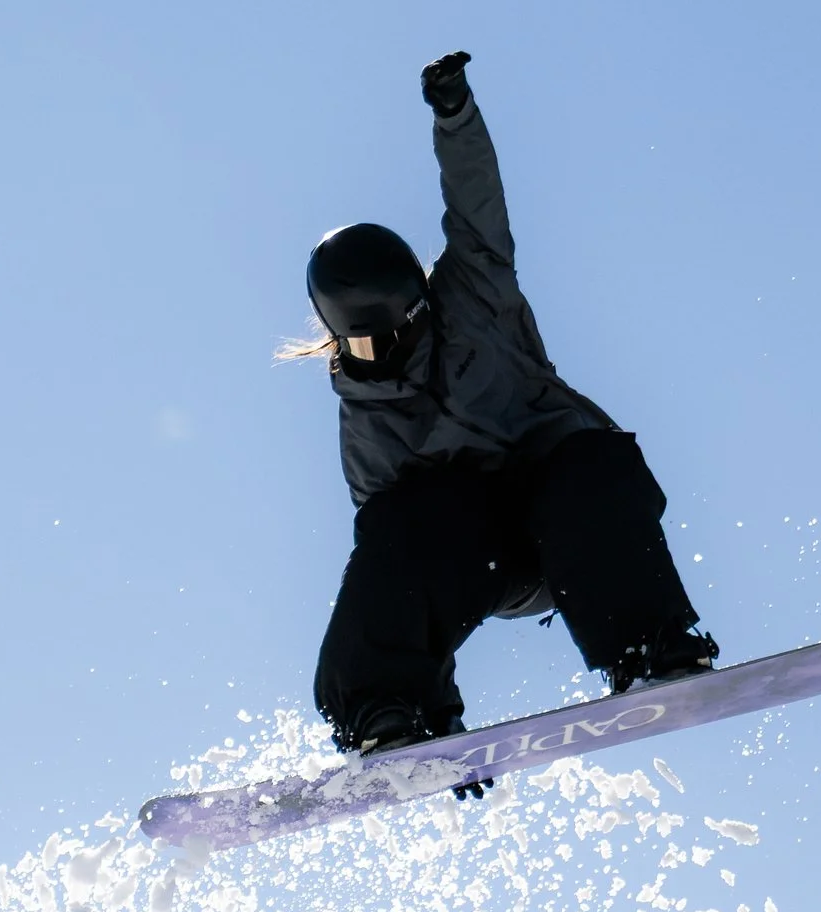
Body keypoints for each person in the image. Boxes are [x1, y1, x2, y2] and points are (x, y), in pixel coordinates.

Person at [297, 50, 718, 777]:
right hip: (487, 556)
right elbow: (396, 571)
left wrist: (454, 115)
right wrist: (437, 717)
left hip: (584, 528)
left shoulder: (476, 293)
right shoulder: (367, 426)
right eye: (361, 345)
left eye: (392, 334)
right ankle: (383, 712)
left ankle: (649, 646)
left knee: (587, 464)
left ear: (419, 306)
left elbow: (476, 198)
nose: (382, 355)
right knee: (407, 516)